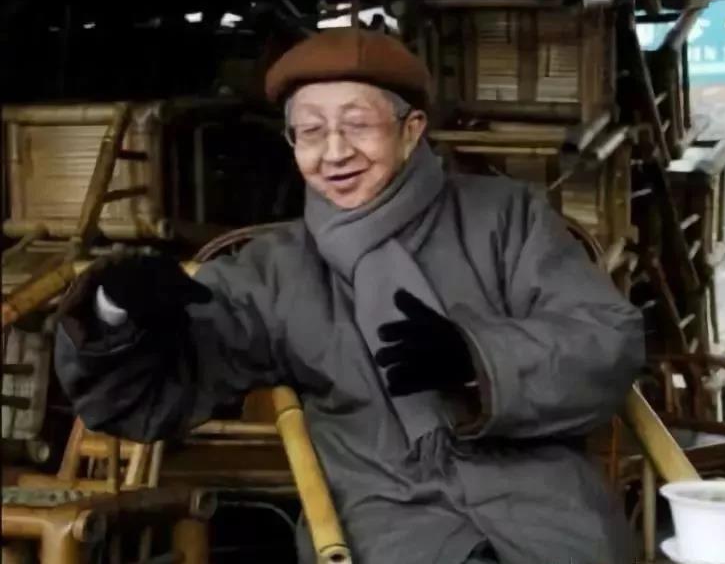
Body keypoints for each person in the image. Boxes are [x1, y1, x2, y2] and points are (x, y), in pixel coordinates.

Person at [54, 27, 645, 564]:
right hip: (383, 513)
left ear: (411, 130)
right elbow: (152, 395)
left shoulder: (504, 217)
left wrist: (477, 361)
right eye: (310, 132)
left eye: (358, 125)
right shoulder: (276, 268)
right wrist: (115, 311)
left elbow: (607, 339)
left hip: (539, 500)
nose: (334, 152)